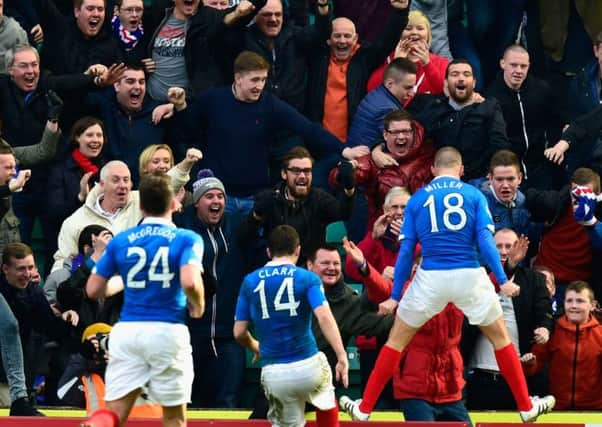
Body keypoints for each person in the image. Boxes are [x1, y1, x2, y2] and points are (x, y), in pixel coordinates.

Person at [339, 147, 555, 423]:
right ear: (462, 170)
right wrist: (502, 280)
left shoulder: (417, 200)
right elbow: (486, 243)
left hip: (430, 277)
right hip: (468, 274)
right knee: (501, 339)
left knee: (395, 342)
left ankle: (365, 409)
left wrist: (394, 297)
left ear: (432, 170)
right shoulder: (475, 195)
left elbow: (406, 252)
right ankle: (525, 407)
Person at [82, 173, 205, 427]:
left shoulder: (122, 240)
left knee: (114, 413)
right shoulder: (186, 238)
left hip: (127, 332)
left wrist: (125, 281)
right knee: (174, 417)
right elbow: (190, 281)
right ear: (173, 203)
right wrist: (198, 304)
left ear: (141, 205)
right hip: (166, 331)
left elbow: (93, 289)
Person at [169, 51, 342, 222]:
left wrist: (344, 150)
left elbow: (307, 128)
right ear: (238, 78)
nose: (259, 86)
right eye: (254, 80)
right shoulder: (214, 99)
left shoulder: (270, 104)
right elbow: (187, 130)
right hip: (218, 197)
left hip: (254, 199)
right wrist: (180, 106)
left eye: (263, 80)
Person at [233, 225, 349, 427]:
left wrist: (255, 346)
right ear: (298, 250)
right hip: (309, 366)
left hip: (274, 373)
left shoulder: (249, 282)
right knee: (326, 398)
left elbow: (239, 332)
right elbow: (324, 317)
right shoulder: (308, 278)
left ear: (268, 252)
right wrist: (341, 356)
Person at [174, 170, 248, 408]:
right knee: (189, 403)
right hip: (192, 335)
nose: (216, 201)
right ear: (196, 202)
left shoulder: (235, 226)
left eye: (220, 197)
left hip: (228, 336)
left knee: (228, 404)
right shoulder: (181, 227)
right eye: (209, 196)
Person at [372, 59, 510, 181]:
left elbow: (500, 143)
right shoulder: (429, 105)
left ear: (474, 83)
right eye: (454, 74)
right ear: (445, 82)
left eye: (466, 74)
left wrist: (495, 173)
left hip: (478, 180)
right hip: (437, 180)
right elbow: (398, 126)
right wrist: (377, 148)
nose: (461, 78)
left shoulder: (489, 106)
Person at [464, 228, 553, 410]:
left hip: (516, 376)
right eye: (498, 246)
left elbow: (544, 310)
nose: (504, 251)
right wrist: (510, 265)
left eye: (509, 246)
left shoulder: (534, 280)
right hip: (477, 377)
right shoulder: (476, 278)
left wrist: (544, 327)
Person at [238, 146, 354, 266]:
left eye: (307, 171)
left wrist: (349, 188)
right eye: (296, 171)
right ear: (284, 173)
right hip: (278, 270)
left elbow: (343, 213)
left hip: (311, 271)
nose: (303, 176)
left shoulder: (319, 198)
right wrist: (256, 215)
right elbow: (244, 237)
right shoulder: (270, 199)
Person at [331, 109, 434, 232]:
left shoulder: (429, 153)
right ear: (385, 135)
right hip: (384, 233)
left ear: (413, 132)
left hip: (423, 233)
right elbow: (347, 173)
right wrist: (345, 172)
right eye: (395, 132)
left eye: (406, 131)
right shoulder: (375, 160)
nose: (401, 137)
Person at [485, 45, 564, 190]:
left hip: (541, 166)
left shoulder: (541, 90)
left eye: (523, 66)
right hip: (509, 173)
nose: (519, 71)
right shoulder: (491, 97)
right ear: (503, 64)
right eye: (514, 65)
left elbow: (555, 122)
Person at [521, 280, 602, 410]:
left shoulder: (600, 334)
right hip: (558, 410)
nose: (573, 306)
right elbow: (533, 367)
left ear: (592, 305)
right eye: (569, 301)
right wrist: (528, 364)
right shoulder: (552, 331)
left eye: (580, 301)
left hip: (595, 410)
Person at [367, 9, 450, 94]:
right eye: (408, 28)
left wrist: (427, 64)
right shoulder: (388, 59)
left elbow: (446, 92)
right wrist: (396, 63)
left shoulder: (441, 62)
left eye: (420, 28)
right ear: (400, 34)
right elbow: (372, 89)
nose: (414, 32)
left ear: (428, 35)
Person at [346, 58, 417, 150]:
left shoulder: (377, 93)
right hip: (363, 159)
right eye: (407, 88)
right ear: (389, 84)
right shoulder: (388, 109)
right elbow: (396, 146)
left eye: (412, 88)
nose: (411, 93)